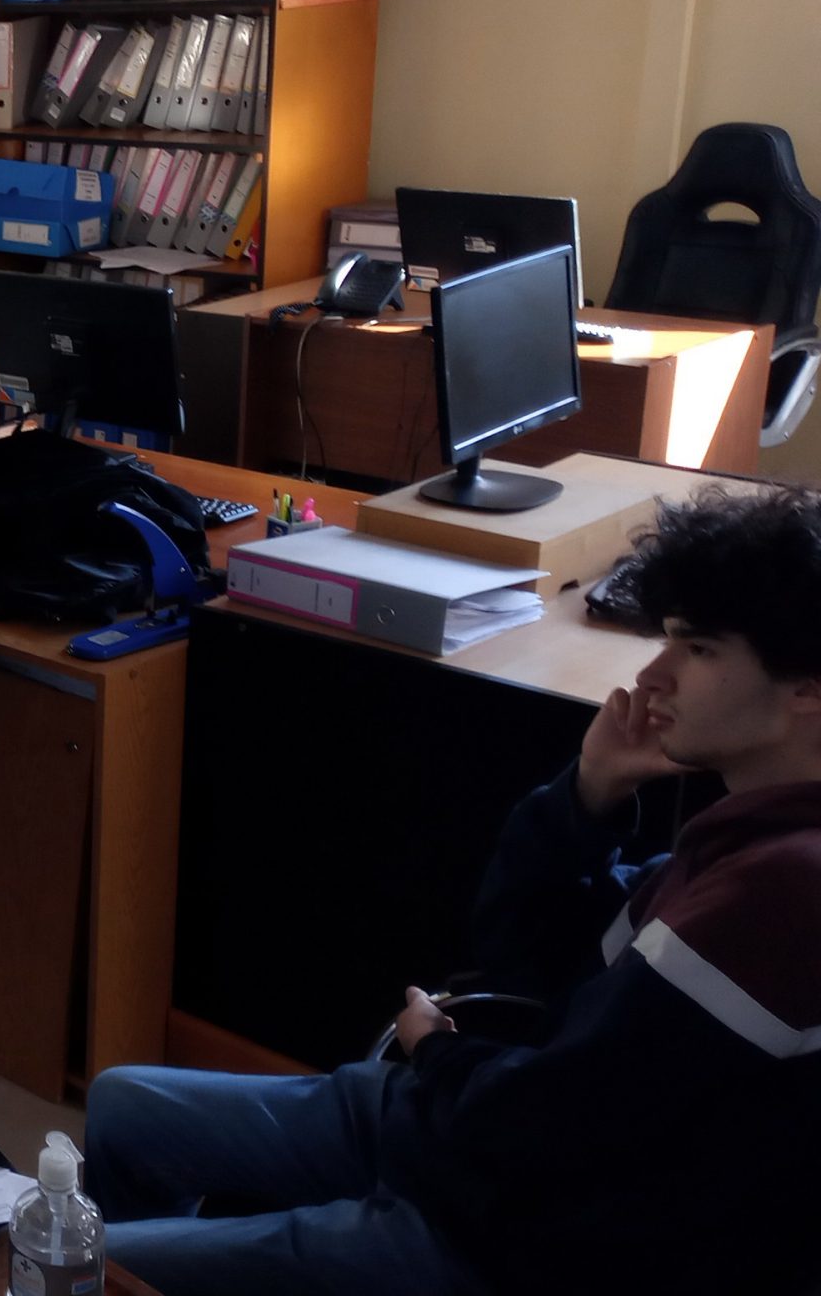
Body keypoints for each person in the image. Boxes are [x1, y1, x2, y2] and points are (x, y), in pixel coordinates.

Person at [83, 485, 821, 1296]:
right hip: (476, 1137)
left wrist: (437, 1052)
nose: (652, 675)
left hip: (518, 1234)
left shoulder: (784, 894)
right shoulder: (742, 834)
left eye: (699, 650)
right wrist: (591, 791)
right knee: (123, 1105)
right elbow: (532, 958)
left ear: (808, 687)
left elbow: (555, 1125)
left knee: (74, 1266)